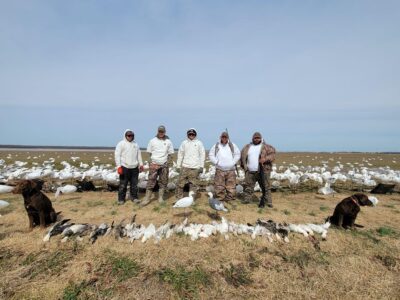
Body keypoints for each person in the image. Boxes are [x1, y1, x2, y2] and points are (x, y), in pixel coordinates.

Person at [141, 125, 174, 206]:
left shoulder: (168, 142)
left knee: (163, 182)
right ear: (157, 131)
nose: (161, 133)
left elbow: (170, 154)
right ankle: (147, 198)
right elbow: (149, 153)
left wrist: (167, 163)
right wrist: (151, 163)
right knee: (151, 181)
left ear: (165, 132)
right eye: (160, 131)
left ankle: (160, 198)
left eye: (162, 131)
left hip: (164, 165)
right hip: (154, 165)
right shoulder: (152, 141)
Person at [240, 132, 276, 208]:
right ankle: (247, 200)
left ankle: (268, 202)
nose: (256, 139)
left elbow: (273, 155)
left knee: (265, 187)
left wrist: (265, 159)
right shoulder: (247, 147)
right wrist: (244, 166)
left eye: (258, 138)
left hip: (262, 170)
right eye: (255, 138)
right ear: (252, 139)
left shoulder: (266, 147)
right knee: (248, 186)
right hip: (250, 171)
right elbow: (242, 156)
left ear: (261, 138)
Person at [209, 131, 240, 202]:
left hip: (231, 170)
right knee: (219, 186)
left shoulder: (232, 145)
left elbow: (237, 154)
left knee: (231, 186)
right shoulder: (216, 145)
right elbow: (211, 155)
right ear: (220, 137)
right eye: (223, 137)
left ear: (228, 138)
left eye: (225, 137)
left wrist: (233, 162)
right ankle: (220, 198)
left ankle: (230, 198)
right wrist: (217, 162)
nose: (224, 138)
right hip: (220, 169)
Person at [114, 129, 144, 205]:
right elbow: (117, 155)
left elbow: (139, 155)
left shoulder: (136, 144)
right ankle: (121, 199)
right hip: (124, 167)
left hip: (134, 168)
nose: (130, 137)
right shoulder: (121, 144)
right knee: (123, 185)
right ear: (125, 136)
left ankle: (134, 198)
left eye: (132, 135)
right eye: (129, 135)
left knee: (134, 185)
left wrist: (141, 164)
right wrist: (119, 166)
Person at [176, 128, 206, 200]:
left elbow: (202, 154)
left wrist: (201, 166)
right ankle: (178, 198)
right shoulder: (184, 143)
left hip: (195, 167)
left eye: (193, 134)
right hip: (185, 166)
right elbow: (180, 154)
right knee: (180, 183)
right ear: (188, 135)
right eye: (190, 134)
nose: (191, 135)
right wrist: (178, 165)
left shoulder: (199, 143)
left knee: (193, 185)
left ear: (195, 135)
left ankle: (191, 199)